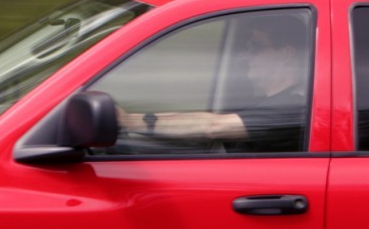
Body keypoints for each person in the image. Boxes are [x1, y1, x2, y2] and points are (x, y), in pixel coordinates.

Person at [114, 13, 310, 153]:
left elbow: (213, 126)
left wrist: (130, 122)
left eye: (256, 47)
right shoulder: (265, 102)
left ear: (286, 54)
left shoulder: (293, 107)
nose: (245, 56)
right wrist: (133, 119)